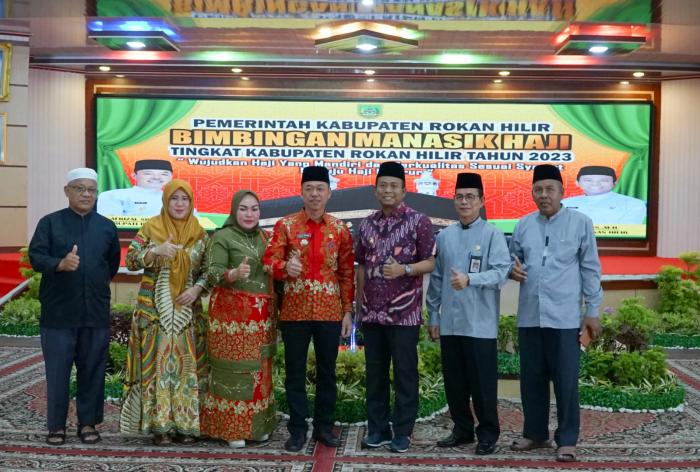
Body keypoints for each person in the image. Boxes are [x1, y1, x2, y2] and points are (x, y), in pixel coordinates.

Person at [509, 164, 603, 463]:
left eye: (550, 189)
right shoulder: (523, 224)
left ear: (562, 192)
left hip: (564, 317)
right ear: (532, 193)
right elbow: (512, 259)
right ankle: (535, 434)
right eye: (538, 189)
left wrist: (593, 311)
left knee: (565, 381)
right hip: (530, 315)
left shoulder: (580, 223)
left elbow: (590, 268)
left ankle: (567, 439)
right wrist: (512, 268)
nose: (544, 195)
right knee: (531, 379)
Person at [262, 165, 355, 452]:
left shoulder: (339, 229)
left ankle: (324, 427)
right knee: (295, 372)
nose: (315, 194)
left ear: (329, 193)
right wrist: (284, 267)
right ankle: (298, 429)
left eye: (320, 189)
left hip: (329, 312)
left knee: (327, 372)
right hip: (295, 311)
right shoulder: (286, 225)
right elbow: (269, 262)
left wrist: (347, 311)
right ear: (301, 192)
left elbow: (346, 273)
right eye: (309, 189)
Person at [28, 167, 121, 446]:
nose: (86, 194)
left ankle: (88, 423)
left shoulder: (107, 227)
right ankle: (56, 426)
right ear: (67, 191)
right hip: (58, 313)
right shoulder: (50, 223)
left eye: (91, 189)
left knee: (92, 370)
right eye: (80, 188)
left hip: (95, 312)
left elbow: (111, 265)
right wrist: (60, 264)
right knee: (58, 372)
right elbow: (36, 256)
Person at [119, 179, 209, 446]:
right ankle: (159, 427)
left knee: (187, 369)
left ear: (191, 202)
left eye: (185, 199)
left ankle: (186, 426)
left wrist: (197, 289)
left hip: (187, 315)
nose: (179, 204)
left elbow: (209, 270)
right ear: (165, 201)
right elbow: (130, 260)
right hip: (153, 315)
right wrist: (154, 251)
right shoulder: (151, 228)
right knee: (155, 368)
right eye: (174, 199)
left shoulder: (200, 234)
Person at [426, 172, 510, 455]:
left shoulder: (493, 234)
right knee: (455, 384)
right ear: (454, 200)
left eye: (470, 197)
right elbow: (437, 279)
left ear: (481, 201)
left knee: (482, 385)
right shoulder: (445, 236)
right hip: (451, 323)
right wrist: (433, 315)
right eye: (460, 197)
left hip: (480, 324)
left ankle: (487, 434)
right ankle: (462, 430)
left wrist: (471, 279)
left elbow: (501, 273)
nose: (465, 202)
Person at [354, 161, 436, 454]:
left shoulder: (419, 221)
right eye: (383, 185)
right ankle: (377, 429)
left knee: (404, 374)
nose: (388, 190)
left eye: (393, 185)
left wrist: (405, 269)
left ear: (403, 191)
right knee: (375, 375)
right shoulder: (366, 223)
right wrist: (358, 304)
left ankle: (402, 432)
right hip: (372, 314)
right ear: (375, 189)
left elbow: (431, 262)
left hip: (404, 315)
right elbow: (361, 265)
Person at [200, 190, 277, 448]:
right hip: (231, 322)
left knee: (260, 372)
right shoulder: (222, 237)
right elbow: (212, 273)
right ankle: (231, 429)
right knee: (234, 373)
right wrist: (233, 274)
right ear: (234, 210)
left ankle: (257, 427)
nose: (249, 214)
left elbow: (277, 267)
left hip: (261, 319)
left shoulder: (266, 237)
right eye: (243, 209)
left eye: (254, 209)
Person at [561, 165, 646, 224]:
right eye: (588, 180)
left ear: (614, 183)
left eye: (604, 180)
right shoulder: (565, 203)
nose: (595, 184)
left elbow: (629, 230)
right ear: (577, 183)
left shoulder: (634, 204)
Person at [97, 159, 173, 217]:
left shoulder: (174, 198)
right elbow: (110, 224)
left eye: (164, 174)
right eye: (148, 173)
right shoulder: (113, 195)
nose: (156, 177)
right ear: (134, 176)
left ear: (171, 177)